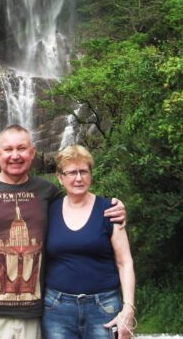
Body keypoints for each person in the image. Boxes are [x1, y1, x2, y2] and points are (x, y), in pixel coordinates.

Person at [0, 124, 126, 339]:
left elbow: (78, 203)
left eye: (22, 148)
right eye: (8, 149)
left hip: (33, 314)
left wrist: (113, 206)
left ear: (33, 152)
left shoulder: (48, 192)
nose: (15, 155)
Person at [42, 144, 135, 339]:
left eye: (83, 171)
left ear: (91, 174)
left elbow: (124, 262)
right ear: (60, 178)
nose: (78, 178)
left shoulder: (110, 210)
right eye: (71, 172)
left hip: (104, 307)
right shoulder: (48, 210)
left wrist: (128, 307)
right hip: (57, 309)